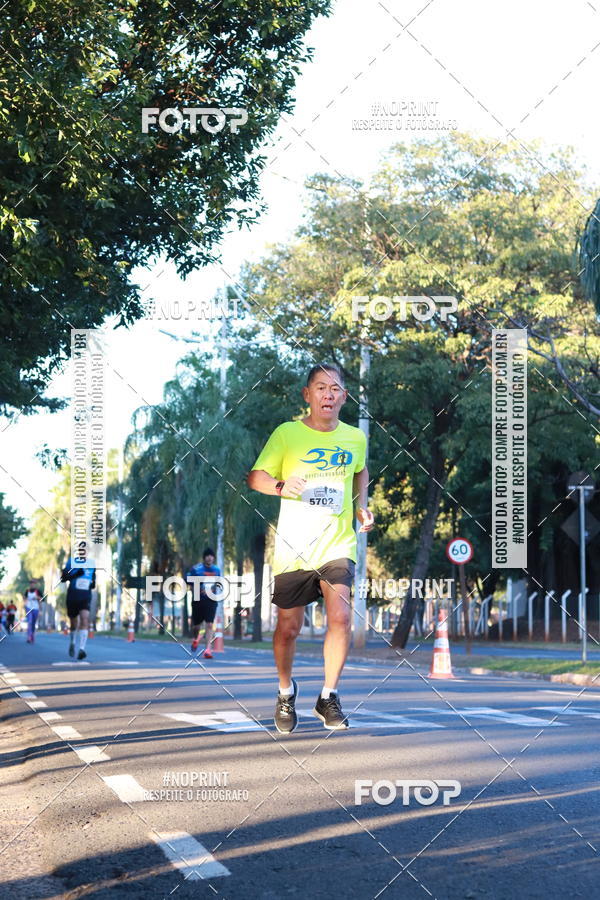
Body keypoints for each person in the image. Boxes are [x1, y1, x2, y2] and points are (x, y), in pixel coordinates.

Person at [247, 363, 374, 734]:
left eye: (335, 389)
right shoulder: (287, 434)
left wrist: (362, 504)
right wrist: (280, 486)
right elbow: (256, 476)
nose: (328, 395)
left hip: (337, 543)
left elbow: (360, 471)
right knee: (289, 627)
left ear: (344, 397)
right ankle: (286, 691)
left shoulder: (355, 438)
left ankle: (328, 696)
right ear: (308, 395)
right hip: (293, 547)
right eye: (321, 388)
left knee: (341, 617)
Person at [185, 548, 221, 659]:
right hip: (198, 600)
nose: (210, 557)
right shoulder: (196, 569)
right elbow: (187, 579)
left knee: (210, 624)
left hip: (211, 600)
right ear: (204, 557)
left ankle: (208, 650)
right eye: (207, 556)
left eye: (211, 556)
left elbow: (218, 582)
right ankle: (196, 639)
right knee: (196, 626)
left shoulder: (217, 570)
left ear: (213, 558)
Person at [60, 557, 96, 659]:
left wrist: (92, 583)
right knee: (73, 623)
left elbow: (93, 581)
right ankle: (72, 642)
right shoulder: (71, 562)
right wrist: (76, 574)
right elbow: (63, 579)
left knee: (85, 619)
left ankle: (82, 649)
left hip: (85, 596)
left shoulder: (91, 563)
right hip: (73, 596)